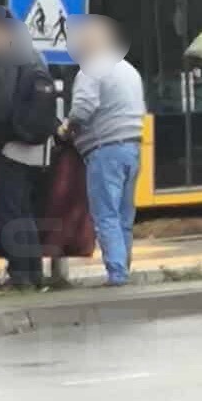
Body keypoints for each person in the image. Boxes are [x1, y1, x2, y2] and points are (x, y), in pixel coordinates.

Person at [0, 6, 55, 291]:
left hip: (8, 150)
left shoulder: (6, 59)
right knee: (24, 214)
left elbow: (1, 106)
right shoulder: (33, 55)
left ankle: (20, 275)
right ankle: (32, 274)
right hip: (31, 150)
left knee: (10, 215)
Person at [60, 16, 145, 286]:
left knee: (106, 214)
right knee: (124, 216)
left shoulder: (91, 70)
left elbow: (83, 109)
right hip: (132, 147)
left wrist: (67, 129)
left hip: (105, 150)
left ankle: (117, 274)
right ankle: (124, 268)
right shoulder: (129, 70)